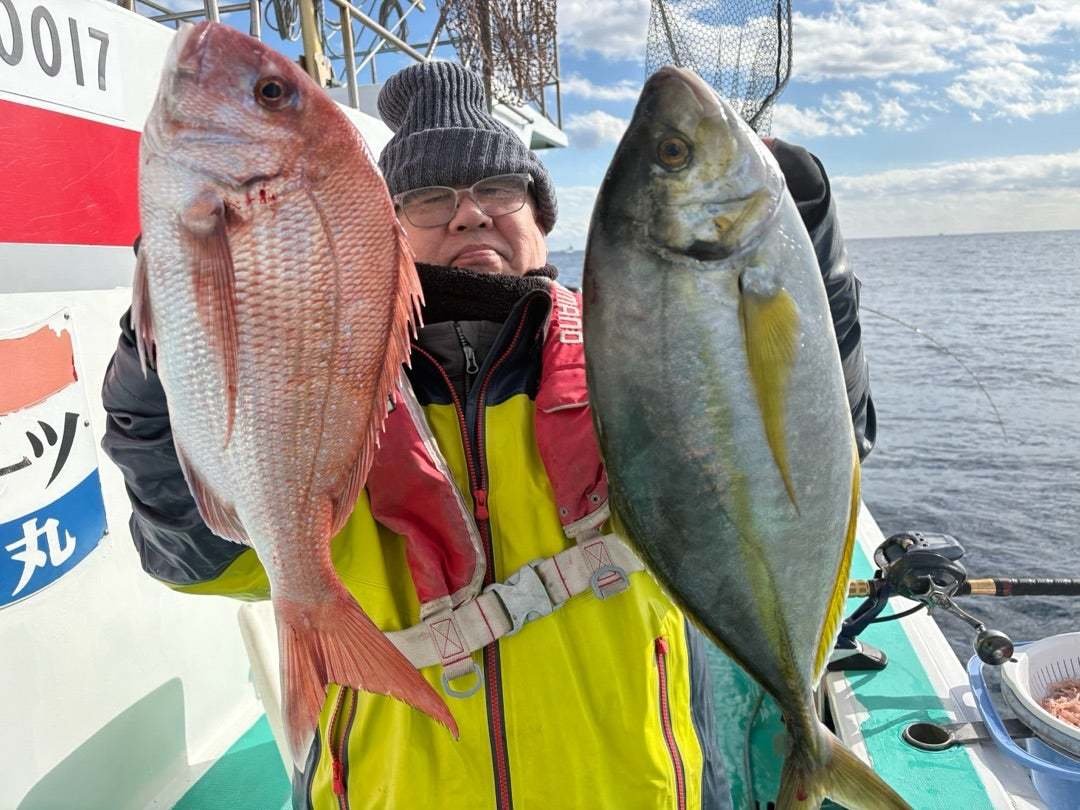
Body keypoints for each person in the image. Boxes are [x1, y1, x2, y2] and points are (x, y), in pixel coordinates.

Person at [101, 61, 875, 810]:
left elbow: (807, 450)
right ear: (381, 232)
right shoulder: (322, 400)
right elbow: (194, 557)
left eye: (499, 188)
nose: (469, 214)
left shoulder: (638, 365)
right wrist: (163, 343)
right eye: (428, 198)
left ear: (540, 216)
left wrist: (807, 254)